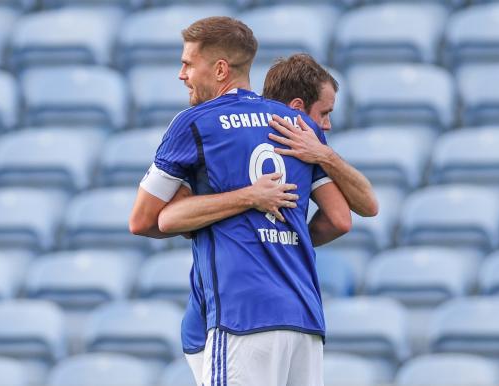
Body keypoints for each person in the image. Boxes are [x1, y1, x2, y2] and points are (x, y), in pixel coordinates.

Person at [129, 16, 358, 385]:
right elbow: (339, 218)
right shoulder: (298, 126)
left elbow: (143, 220)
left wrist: (236, 212)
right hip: (304, 317)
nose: (181, 74)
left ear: (220, 69)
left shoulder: (195, 123)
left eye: (188, 63)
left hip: (242, 316)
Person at [173, 53, 378, 385]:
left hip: (233, 313)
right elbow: (344, 218)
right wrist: (288, 239)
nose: (325, 125)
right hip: (293, 312)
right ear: (296, 107)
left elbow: (168, 218)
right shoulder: (299, 143)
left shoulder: (225, 134)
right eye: (324, 113)